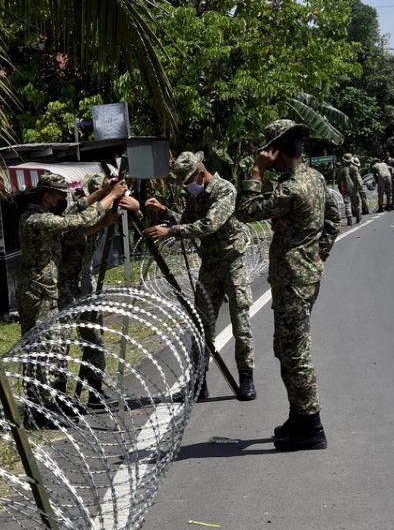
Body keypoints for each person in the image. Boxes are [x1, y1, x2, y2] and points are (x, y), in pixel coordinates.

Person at [235, 120, 341, 451]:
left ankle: (311, 426)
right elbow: (334, 218)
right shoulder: (314, 178)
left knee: (295, 352)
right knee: (285, 347)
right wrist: (316, 256)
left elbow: (245, 210)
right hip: (304, 276)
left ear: (276, 151)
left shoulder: (291, 190)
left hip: (293, 281)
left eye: (268, 150)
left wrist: (257, 170)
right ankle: (298, 416)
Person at [143, 150, 256, 402]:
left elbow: (208, 225)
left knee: (240, 322)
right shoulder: (196, 196)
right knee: (201, 325)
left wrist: (171, 230)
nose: (186, 186)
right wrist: (164, 212)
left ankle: (246, 376)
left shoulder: (224, 190)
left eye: (187, 181)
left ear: (200, 172)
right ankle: (199, 381)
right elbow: (186, 221)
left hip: (232, 262)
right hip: (210, 264)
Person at [17, 172, 126, 423]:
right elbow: (77, 220)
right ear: (47, 196)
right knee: (43, 349)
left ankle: (51, 400)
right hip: (38, 292)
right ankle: (40, 409)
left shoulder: (40, 214)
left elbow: (76, 209)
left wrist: (102, 193)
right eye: (58, 196)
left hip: (44, 290)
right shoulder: (38, 219)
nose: (61, 201)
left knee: (51, 346)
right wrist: (111, 197)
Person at [56, 172, 130, 409]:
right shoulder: (72, 211)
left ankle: (95, 391)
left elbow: (131, 205)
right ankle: (59, 394)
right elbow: (73, 233)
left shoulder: (102, 211)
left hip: (85, 283)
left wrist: (122, 200)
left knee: (94, 338)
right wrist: (103, 217)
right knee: (62, 341)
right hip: (64, 285)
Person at [337, 153, 364, 225]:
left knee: (347, 204)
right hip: (355, 188)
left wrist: (340, 188)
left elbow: (339, 181)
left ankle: (349, 219)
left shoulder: (342, 169)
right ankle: (358, 217)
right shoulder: (354, 168)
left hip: (346, 188)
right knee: (357, 203)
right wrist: (360, 187)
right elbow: (359, 179)